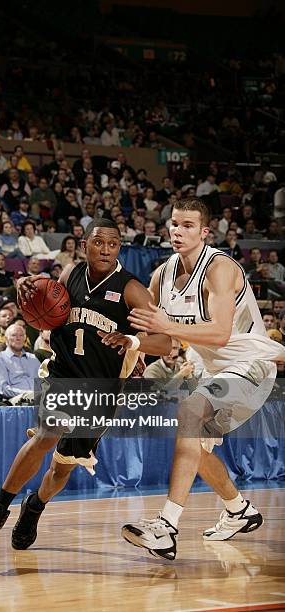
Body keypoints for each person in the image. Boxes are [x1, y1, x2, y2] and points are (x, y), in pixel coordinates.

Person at [0, 218, 171, 548]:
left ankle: (33, 507)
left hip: (101, 391)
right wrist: (27, 294)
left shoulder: (131, 289)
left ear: (119, 247)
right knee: (46, 436)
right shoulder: (69, 275)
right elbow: (43, 306)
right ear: (83, 245)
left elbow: (164, 343)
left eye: (112, 244)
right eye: (98, 242)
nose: (105, 249)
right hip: (63, 375)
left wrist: (132, 341)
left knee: (62, 469)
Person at [121, 197, 285, 560]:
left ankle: (166, 527)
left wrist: (166, 324)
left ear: (205, 231)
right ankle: (239, 510)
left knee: (191, 411)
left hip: (250, 365)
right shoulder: (161, 275)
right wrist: (131, 341)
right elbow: (161, 340)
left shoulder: (220, 268)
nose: (178, 231)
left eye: (188, 225)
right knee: (196, 445)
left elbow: (222, 332)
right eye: (174, 224)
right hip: (215, 370)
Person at [0, 323, 40, 401]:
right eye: (14, 335)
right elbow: (3, 389)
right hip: (16, 401)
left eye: (21, 335)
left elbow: (43, 383)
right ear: (6, 339)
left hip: (38, 399)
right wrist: (28, 394)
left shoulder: (33, 358)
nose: (18, 338)